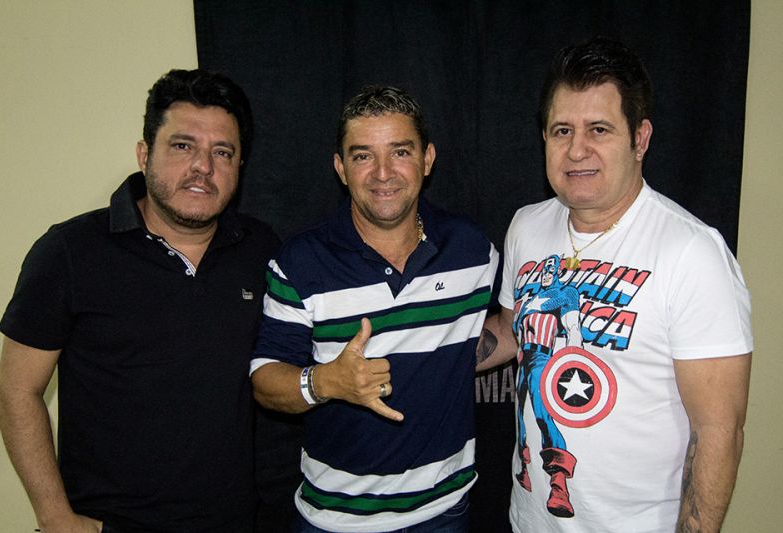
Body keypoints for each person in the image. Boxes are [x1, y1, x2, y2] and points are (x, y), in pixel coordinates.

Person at [476, 37, 753, 533]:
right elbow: (514, 329)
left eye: (599, 129)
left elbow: (719, 431)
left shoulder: (692, 252)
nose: (576, 149)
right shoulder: (526, 226)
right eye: (562, 130)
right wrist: (421, 352)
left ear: (640, 139)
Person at [0, 69, 279, 533]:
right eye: (182, 146)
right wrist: (55, 517)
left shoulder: (261, 249)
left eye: (222, 152)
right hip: (108, 523)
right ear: (145, 154)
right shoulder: (70, 252)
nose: (203, 167)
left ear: (239, 165)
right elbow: (15, 391)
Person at [250, 85, 499, 532]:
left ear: (427, 159)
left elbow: (498, 332)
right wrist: (327, 381)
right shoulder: (300, 263)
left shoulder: (472, 249)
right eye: (363, 155)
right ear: (340, 168)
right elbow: (265, 380)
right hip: (335, 519)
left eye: (400, 152)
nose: (383, 173)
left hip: (446, 510)